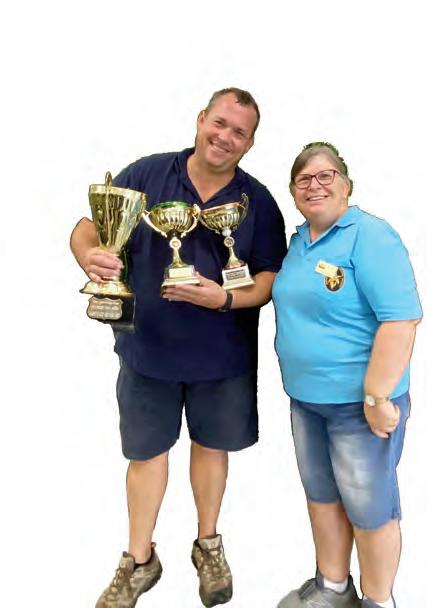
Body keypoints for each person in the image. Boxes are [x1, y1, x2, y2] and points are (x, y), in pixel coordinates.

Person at [70, 87, 287, 608]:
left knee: (212, 449)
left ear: (250, 144)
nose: (225, 137)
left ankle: (207, 544)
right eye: (220, 123)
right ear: (200, 119)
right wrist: (89, 255)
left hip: (223, 356)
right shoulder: (147, 174)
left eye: (239, 132)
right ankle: (138, 559)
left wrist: (223, 298)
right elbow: (87, 227)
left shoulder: (257, 202)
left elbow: (269, 279)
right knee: (146, 455)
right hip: (148, 350)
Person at [272, 142, 422, 608]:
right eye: (303, 179)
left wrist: (377, 396)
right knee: (322, 497)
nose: (314, 185)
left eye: (326, 175)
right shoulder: (299, 242)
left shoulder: (370, 237)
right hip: (306, 400)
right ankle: (333, 587)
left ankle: (378, 601)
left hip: (360, 407)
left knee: (370, 509)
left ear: (347, 185)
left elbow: (401, 319)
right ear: (294, 193)